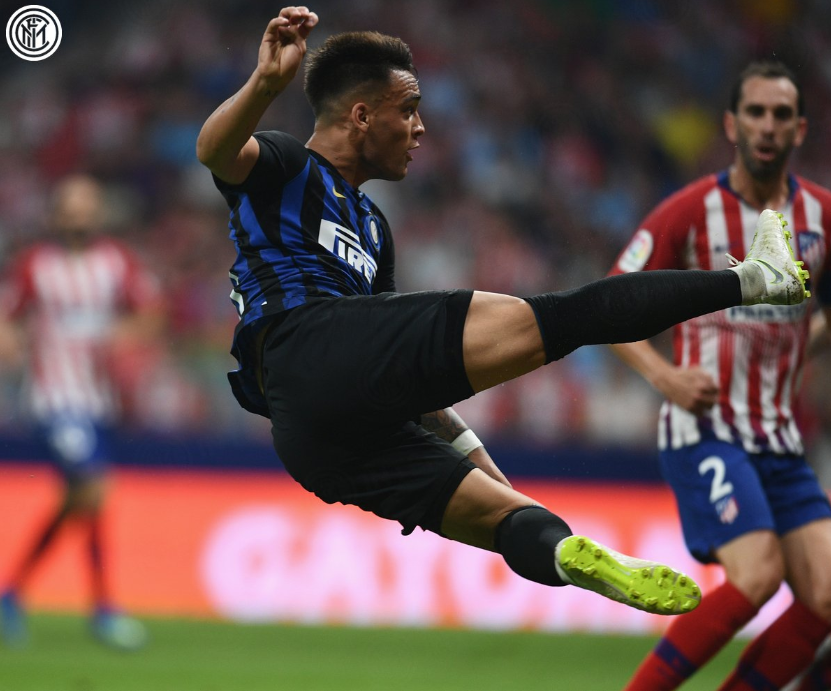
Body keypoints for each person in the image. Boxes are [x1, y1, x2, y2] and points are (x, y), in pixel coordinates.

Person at [195, 7, 809, 621]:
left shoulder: (374, 230)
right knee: (565, 317)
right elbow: (216, 149)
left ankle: (565, 552)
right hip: (305, 341)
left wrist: (490, 475)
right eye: (407, 110)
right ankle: (755, 278)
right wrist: (266, 84)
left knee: (506, 517)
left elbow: (407, 384)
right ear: (361, 116)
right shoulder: (288, 166)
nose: (420, 127)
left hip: (312, 433)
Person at [607, 61, 831, 691]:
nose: (768, 126)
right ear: (732, 125)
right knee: (757, 575)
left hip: (780, 438)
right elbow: (610, 302)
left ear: (799, 129)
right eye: (756, 112)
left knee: (825, 597)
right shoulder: (690, 211)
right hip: (704, 428)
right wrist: (665, 377)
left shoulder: (821, 215)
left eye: (781, 115)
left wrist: (799, 345)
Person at [0, 174, 159, 651]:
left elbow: (149, 312)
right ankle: (103, 609)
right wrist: (10, 344)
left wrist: (127, 338)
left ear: (97, 213)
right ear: (57, 215)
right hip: (53, 400)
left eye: (86, 207)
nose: (79, 215)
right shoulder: (36, 265)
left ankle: (12, 593)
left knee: (82, 499)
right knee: (92, 486)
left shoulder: (116, 262)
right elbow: (8, 317)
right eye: (71, 207)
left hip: (98, 402)